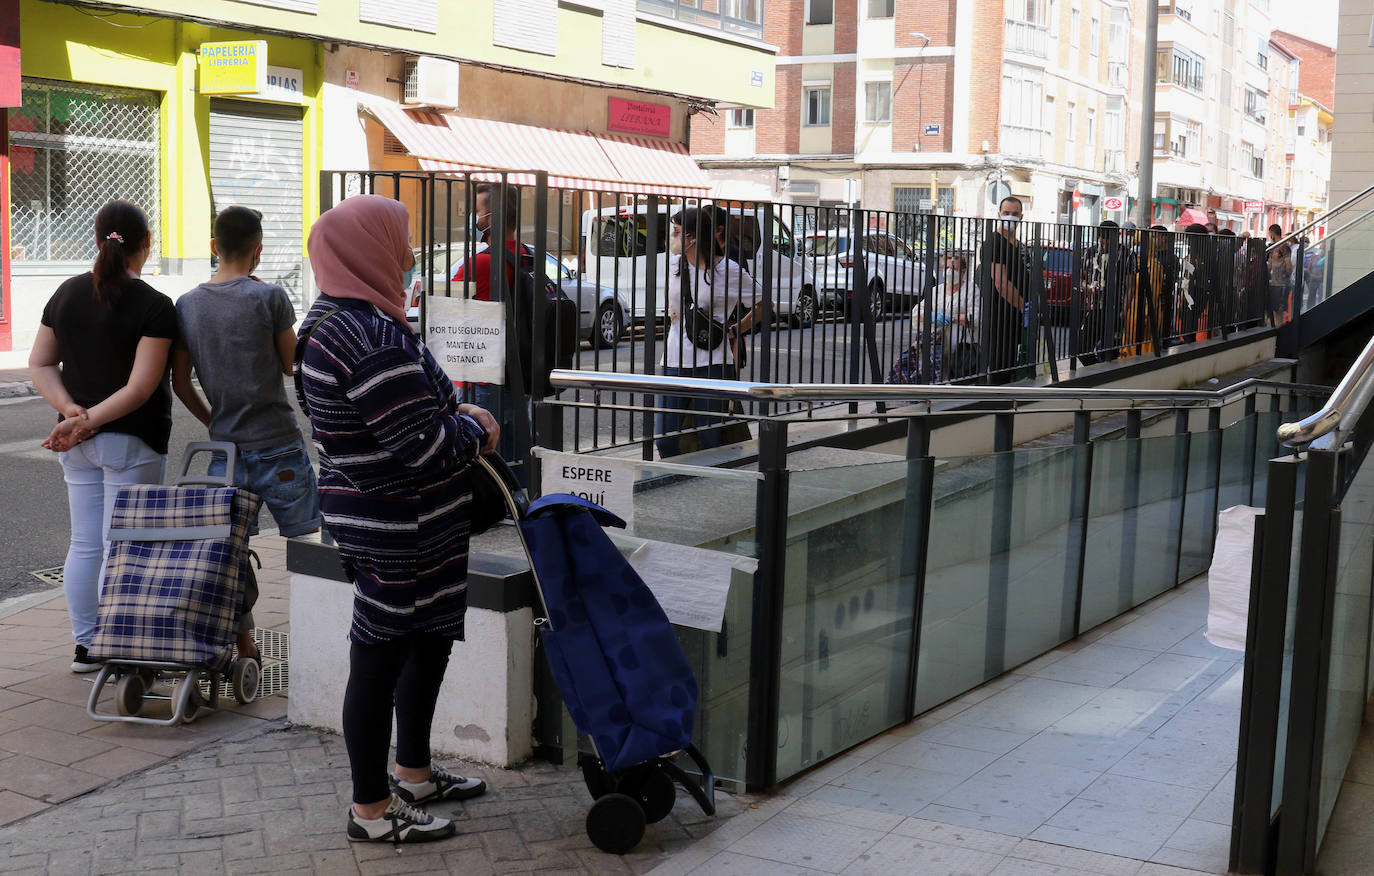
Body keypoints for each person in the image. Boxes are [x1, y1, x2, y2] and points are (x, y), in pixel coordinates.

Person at [296, 194, 499, 844]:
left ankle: (412, 773)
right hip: (399, 525)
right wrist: (474, 428)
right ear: (368, 250)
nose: (410, 255)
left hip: (410, 520)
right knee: (381, 657)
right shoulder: (362, 335)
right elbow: (424, 444)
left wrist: (459, 419)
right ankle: (373, 811)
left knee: (426, 641)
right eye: (400, 240)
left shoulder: (354, 319)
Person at [28, 201, 177, 673]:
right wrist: (86, 418)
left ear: (97, 241)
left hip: (76, 443)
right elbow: (140, 389)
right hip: (131, 441)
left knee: (86, 543)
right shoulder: (155, 306)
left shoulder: (66, 294)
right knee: (127, 547)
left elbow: (40, 363)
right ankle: (125, 646)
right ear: (146, 245)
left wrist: (71, 413)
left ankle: (87, 646)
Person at [172, 206, 322, 664]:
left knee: (229, 553)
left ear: (214, 247)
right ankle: (322, 638)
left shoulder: (187, 305)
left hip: (225, 454)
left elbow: (181, 383)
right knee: (313, 543)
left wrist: (213, 420)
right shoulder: (270, 299)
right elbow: (290, 366)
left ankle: (244, 646)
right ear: (258, 250)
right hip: (278, 443)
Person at [655, 206, 761, 458]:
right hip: (673, 359)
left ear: (692, 237)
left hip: (713, 360)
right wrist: (672, 309)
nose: (671, 237)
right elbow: (672, 300)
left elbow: (762, 304)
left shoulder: (728, 271)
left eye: (677, 232)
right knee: (665, 438)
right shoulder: (673, 265)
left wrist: (736, 329)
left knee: (709, 438)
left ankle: (705, 489)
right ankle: (674, 483)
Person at [453, 183, 523, 460]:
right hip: (518, 370)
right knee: (516, 453)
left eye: (478, 211)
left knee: (485, 457)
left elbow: (447, 308)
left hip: (481, 375)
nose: (474, 217)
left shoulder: (480, 263)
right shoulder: (528, 256)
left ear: (491, 218)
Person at [895, 252, 978, 383]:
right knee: (934, 376)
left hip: (960, 346)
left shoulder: (972, 290)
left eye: (954, 269)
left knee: (957, 378)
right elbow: (916, 313)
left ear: (963, 271)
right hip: (937, 345)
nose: (950, 272)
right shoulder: (936, 291)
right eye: (947, 268)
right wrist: (931, 316)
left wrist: (951, 318)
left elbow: (976, 317)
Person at [978, 196, 1031, 385]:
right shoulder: (993, 243)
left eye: (1015, 214)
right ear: (999, 214)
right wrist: (1024, 308)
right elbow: (1001, 283)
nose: (1011, 217)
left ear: (1022, 217)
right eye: (1007, 213)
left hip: (1017, 318)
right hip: (1001, 317)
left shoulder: (1021, 246)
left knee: (1016, 367)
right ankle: (997, 406)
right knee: (1001, 368)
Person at [1267, 224, 1294, 327]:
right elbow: (1270, 265)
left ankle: (1280, 334)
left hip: (1281, 284)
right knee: (1276, 312)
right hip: (1276, 283)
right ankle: (1277, 332)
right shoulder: (1274, 247)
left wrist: (1285, 277)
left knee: (1279, 313)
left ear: (1273, 233)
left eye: (1270, 233)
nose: (1270, 235)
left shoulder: (1283, 247)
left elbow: (1289, 266)